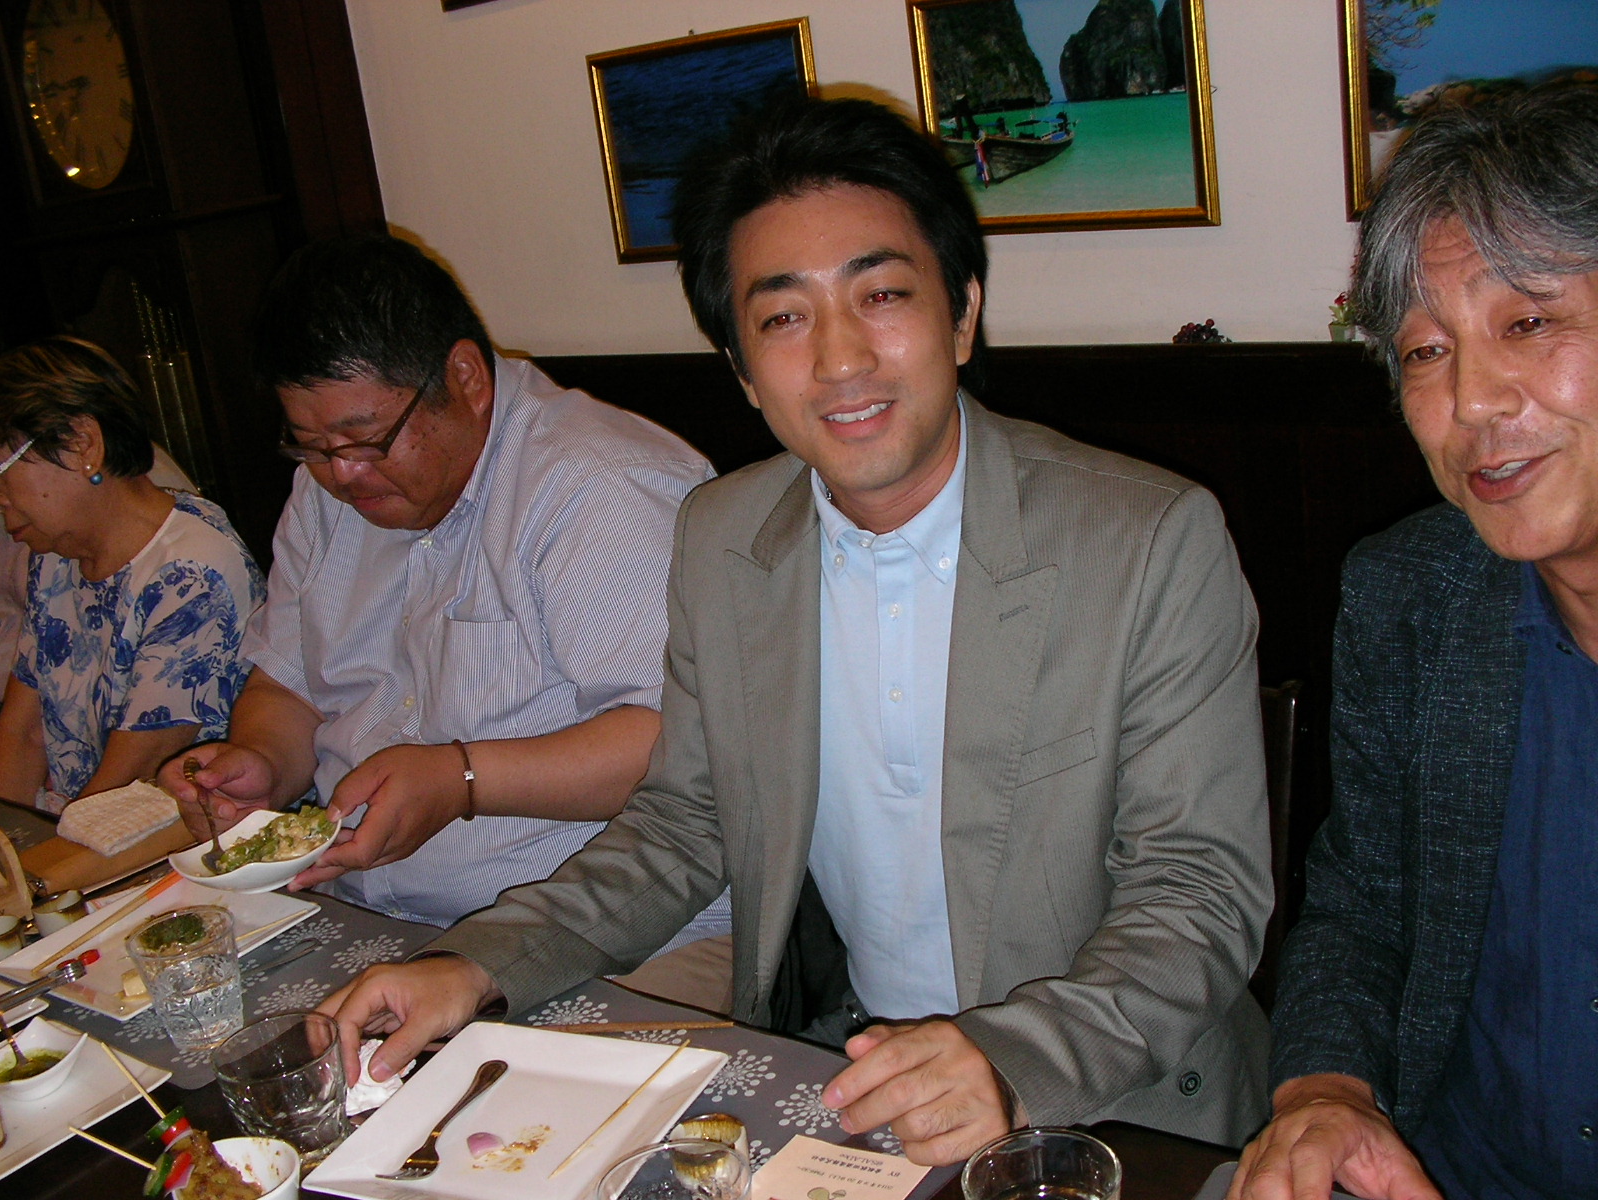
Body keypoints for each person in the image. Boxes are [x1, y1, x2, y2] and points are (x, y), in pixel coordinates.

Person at [322, 97, 1272, 1166]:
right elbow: (686, 825)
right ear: (741, 368)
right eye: (782, 318)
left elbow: (1198, 895)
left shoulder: (1145, 541)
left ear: (962, 314)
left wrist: (1011, 1059)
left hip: (1112, 1108)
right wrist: (480, 962)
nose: (840, 358)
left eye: (882, 295)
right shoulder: (725, 538)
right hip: (844, 1070)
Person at [155, 234, 731, 997]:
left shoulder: (599, 487)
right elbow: (288, 683)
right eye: (312, 447)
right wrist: (261, 763)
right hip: (364, 915)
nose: (343, 475)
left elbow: (683, 747)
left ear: (465, 378)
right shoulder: (327, 493)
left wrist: (463, 779)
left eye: (367, 440)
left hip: (610, 945)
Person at [1229, 83, 1598, 1200]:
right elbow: (1362, 903)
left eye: (1526, 323)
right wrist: (1325, 1093)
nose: (1471, 401)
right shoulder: (1412, 596)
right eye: (1426, 352)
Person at [0, 336, 263, 809]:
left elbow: (128, 789)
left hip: (179, 835)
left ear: (83, 444)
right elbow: (23, 735)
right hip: (85, 828)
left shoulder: (191, 575)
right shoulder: (57, 555)